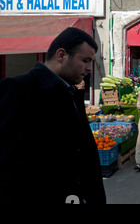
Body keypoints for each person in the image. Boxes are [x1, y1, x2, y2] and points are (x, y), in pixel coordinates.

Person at [0, 27, 106, 204]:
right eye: (85, 60)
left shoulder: (71, 93)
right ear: (61, 55)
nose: (89, 68)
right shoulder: (17, 90)